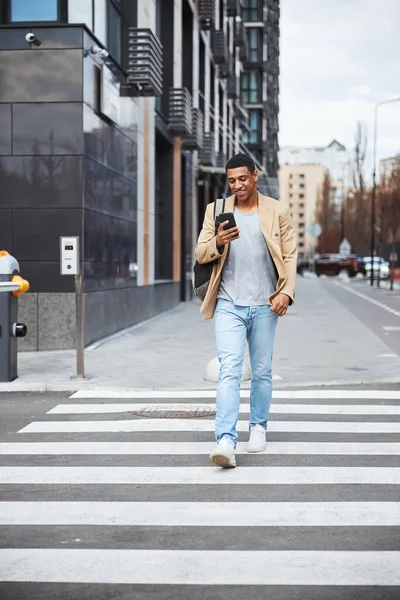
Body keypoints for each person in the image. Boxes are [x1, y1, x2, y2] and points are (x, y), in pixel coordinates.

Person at [195, 153, 297, 468]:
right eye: (232, 180)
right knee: (230, 370)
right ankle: (225, 440)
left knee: (262, 370)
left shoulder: (276, 209)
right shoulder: (217, 210)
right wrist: (218, 242)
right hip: (228, 303)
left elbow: (290, 255)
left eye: (243, 178)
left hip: (265, 304)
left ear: (254, 175)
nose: (238, 185)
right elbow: (200, 253)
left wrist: (286, 293)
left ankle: (258, 426)